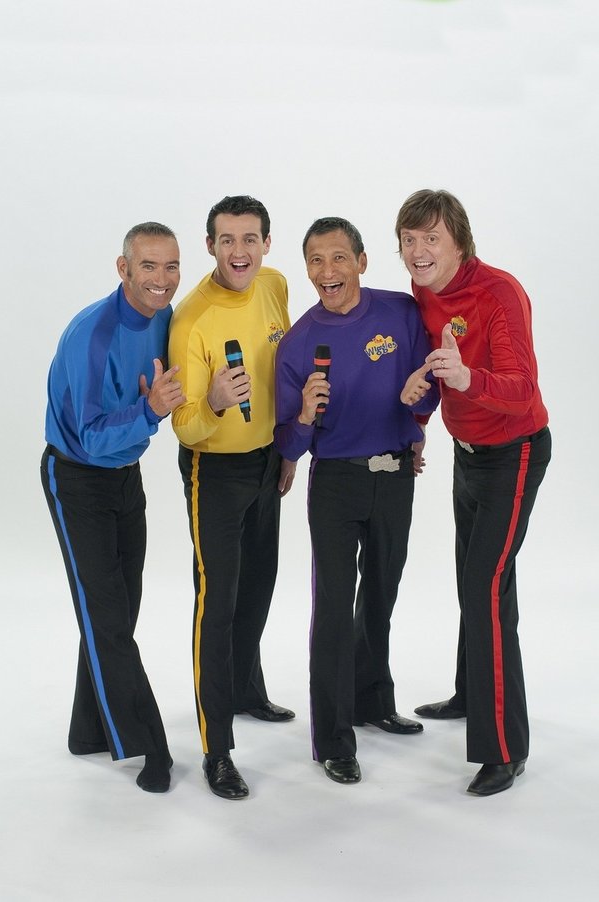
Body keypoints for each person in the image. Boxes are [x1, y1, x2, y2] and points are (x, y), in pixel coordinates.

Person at [274, 217, 439, 785]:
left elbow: (429, 388)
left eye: (339, 257)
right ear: (307, 269)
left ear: (362, 262)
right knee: (334, 609)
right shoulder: (298, 343)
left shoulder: (399, 312)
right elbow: (288, 445)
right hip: (336, 484)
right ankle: (333, 738)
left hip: (396, 476)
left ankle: (372, 702)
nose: (328, 271)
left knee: (381, 594)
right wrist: (302, 415)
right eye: (316, 260)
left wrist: (419, 410)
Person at [396, 189, 551, 796]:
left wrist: (465, 377)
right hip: (467, 454)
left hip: (515, 452)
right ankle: (471, 693)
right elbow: (439, 371)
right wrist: (421, 412)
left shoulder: (499, 293)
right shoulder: (424, 291)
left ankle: (505, 749)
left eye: (431, 238)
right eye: (408, 240)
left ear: (459, 242)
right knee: (473, 577)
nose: (418, 251)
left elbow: (521, 389)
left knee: (486, 587)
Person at [40, 222, 184, 793]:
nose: (161, 279)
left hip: (126, 476)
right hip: (76, 477)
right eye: (148, 266)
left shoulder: (166, 318)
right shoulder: (91, 335)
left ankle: (87, 731)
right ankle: (150, 745)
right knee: (107, 618)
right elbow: (91, 435)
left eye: (171, 266)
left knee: (119, 613)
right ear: (123, 269)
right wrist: (150, 411)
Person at [168, 195, 296, 801]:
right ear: (210, 245)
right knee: (215, 606)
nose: (239, 252)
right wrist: (216, 401)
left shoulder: (275, 285)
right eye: (227, 240)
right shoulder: (191, 320)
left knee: (259, 586)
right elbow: (185, 427)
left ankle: (246, 689)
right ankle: (216, 748)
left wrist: (286, 448)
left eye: (250, 239)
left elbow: (283, 372)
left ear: (266, 243)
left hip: (267, 461)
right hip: (213, 472)